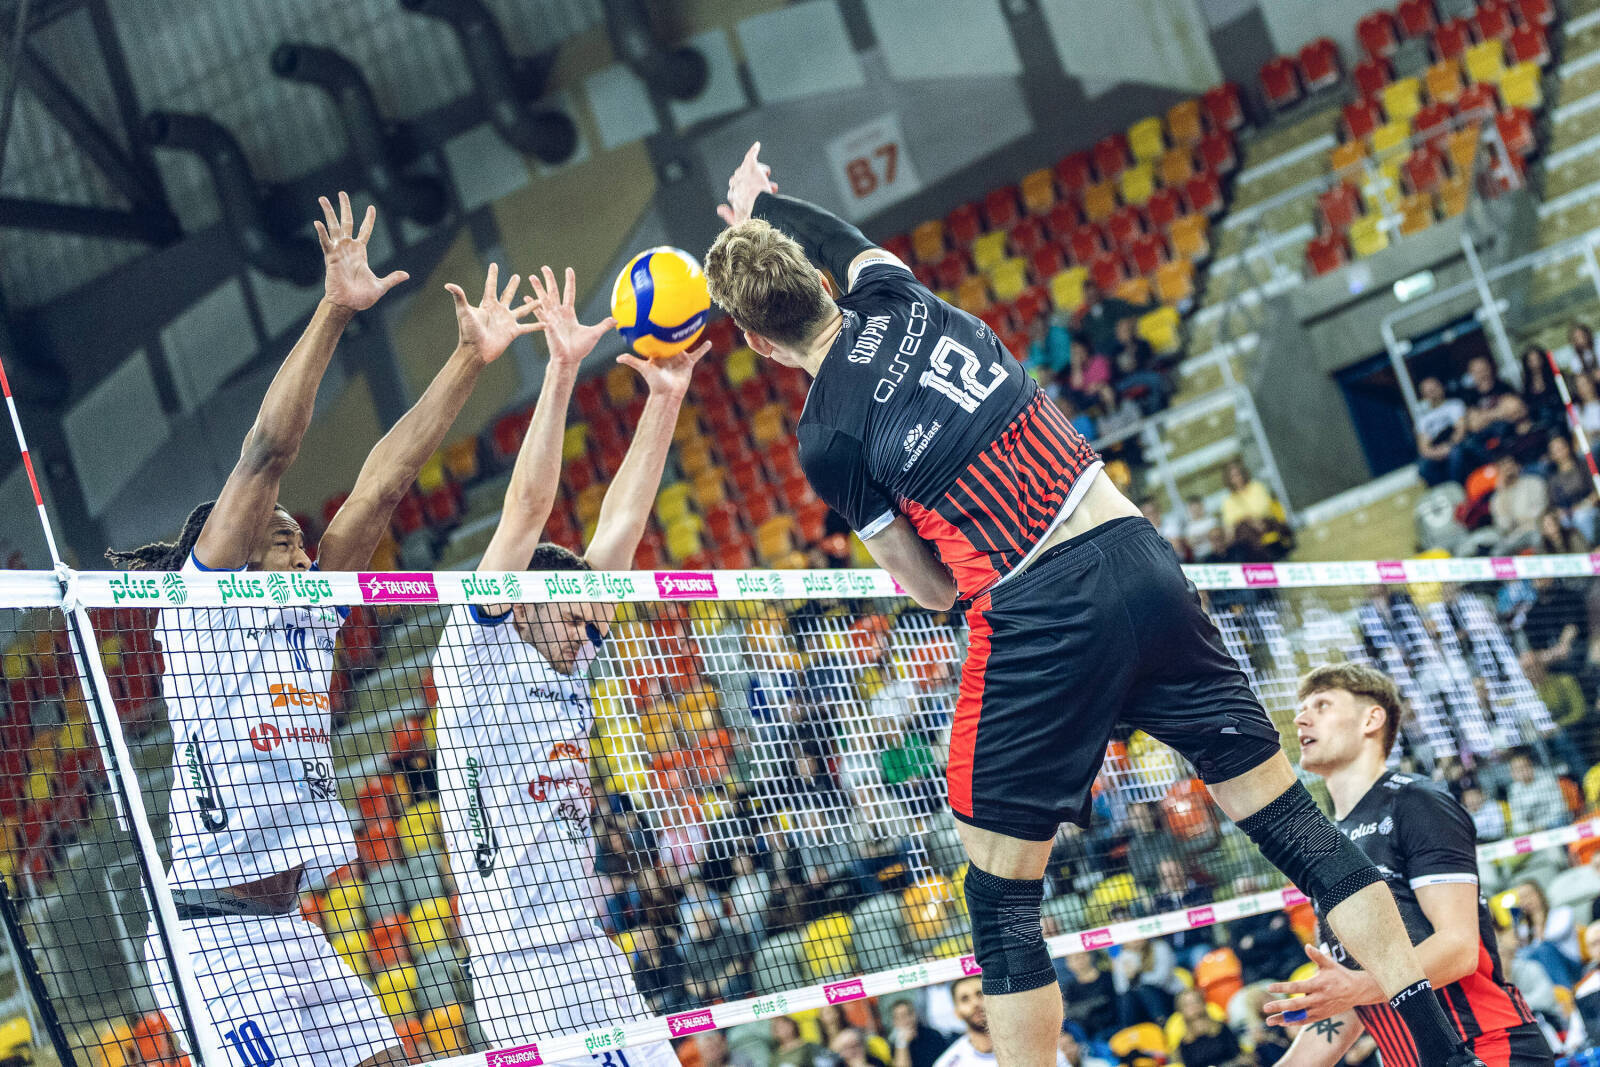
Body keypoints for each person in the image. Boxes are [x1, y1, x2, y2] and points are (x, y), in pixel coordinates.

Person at [705, 142, 1486, 1067]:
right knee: (1292, 824)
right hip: (1139, 557)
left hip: (1037, 610)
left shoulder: (827, 436)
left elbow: (932, 586)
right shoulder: (902, 299)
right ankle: (1442, 1053)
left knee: (1001, 904)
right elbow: (841, 235)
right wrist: (765, 205)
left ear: (758, 343)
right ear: (818, 280)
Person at [115, 194, 526, 1067]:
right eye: (278, 537)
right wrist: (335, 310)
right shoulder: (204, 612)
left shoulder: (309, 611)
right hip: (212, 942)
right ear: (227, 552)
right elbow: (268, 452)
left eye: (301, 536)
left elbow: (382, 486)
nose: (301, 542)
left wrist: (466, 359)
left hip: (286, 924)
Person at [430, 266, 707, 1057]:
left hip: (591, 948)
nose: (592, 635)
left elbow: (621, 522)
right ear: (524, 601)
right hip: (517, 973)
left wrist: (666, 399)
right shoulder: (476, 656)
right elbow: (525, 511)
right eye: (579, 617)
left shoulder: (571, 655)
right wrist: (559, 369)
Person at [1263, 662, 1551, 1066]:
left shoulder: (1416, 802)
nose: (1301, 718)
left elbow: (1459, 949)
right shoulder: (1326, 841)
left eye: (1322, 705)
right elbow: (1353, 1001)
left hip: (1487, 1047)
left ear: (1371, 719)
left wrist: (1357, 987)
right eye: (1302, 708)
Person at [931, 976, 1067, 1067]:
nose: (975, 1003)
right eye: (965, 999)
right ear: (957, 1013)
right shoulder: (948, 1063)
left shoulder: (1036, 1043)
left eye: (980, 994)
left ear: (994, 1000)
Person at [1414, 376, 1467, 487]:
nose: (1432, 394)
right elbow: (1423, 448)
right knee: (1423, 467)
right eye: (1428, 392)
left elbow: (1460, 430)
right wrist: (1436, 453)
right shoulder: (1423, 419)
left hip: (1454, 444)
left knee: (1456, 454)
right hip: (1435, 449)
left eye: (1434, 389)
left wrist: (1449, 446)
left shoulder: (1455, 405)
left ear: (1441, 388)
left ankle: (1456, 487)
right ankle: (1442, 491)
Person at [1173, 987, 1244, 1066]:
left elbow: (1238, 1056)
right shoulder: (1184, 1044)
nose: (1193, 1006)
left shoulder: (1222, 1029)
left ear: (1204, 1003)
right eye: (1187, 1004)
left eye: (1195, 1001)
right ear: (1181, 1010)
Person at [891, 997, 955, 1067]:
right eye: (900, 1017)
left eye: (908, 1014)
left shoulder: (932, 1036)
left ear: (915, 1014)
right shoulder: (896, 1046)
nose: (906, 1021)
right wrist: (902, 1043)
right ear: (894, 1022)